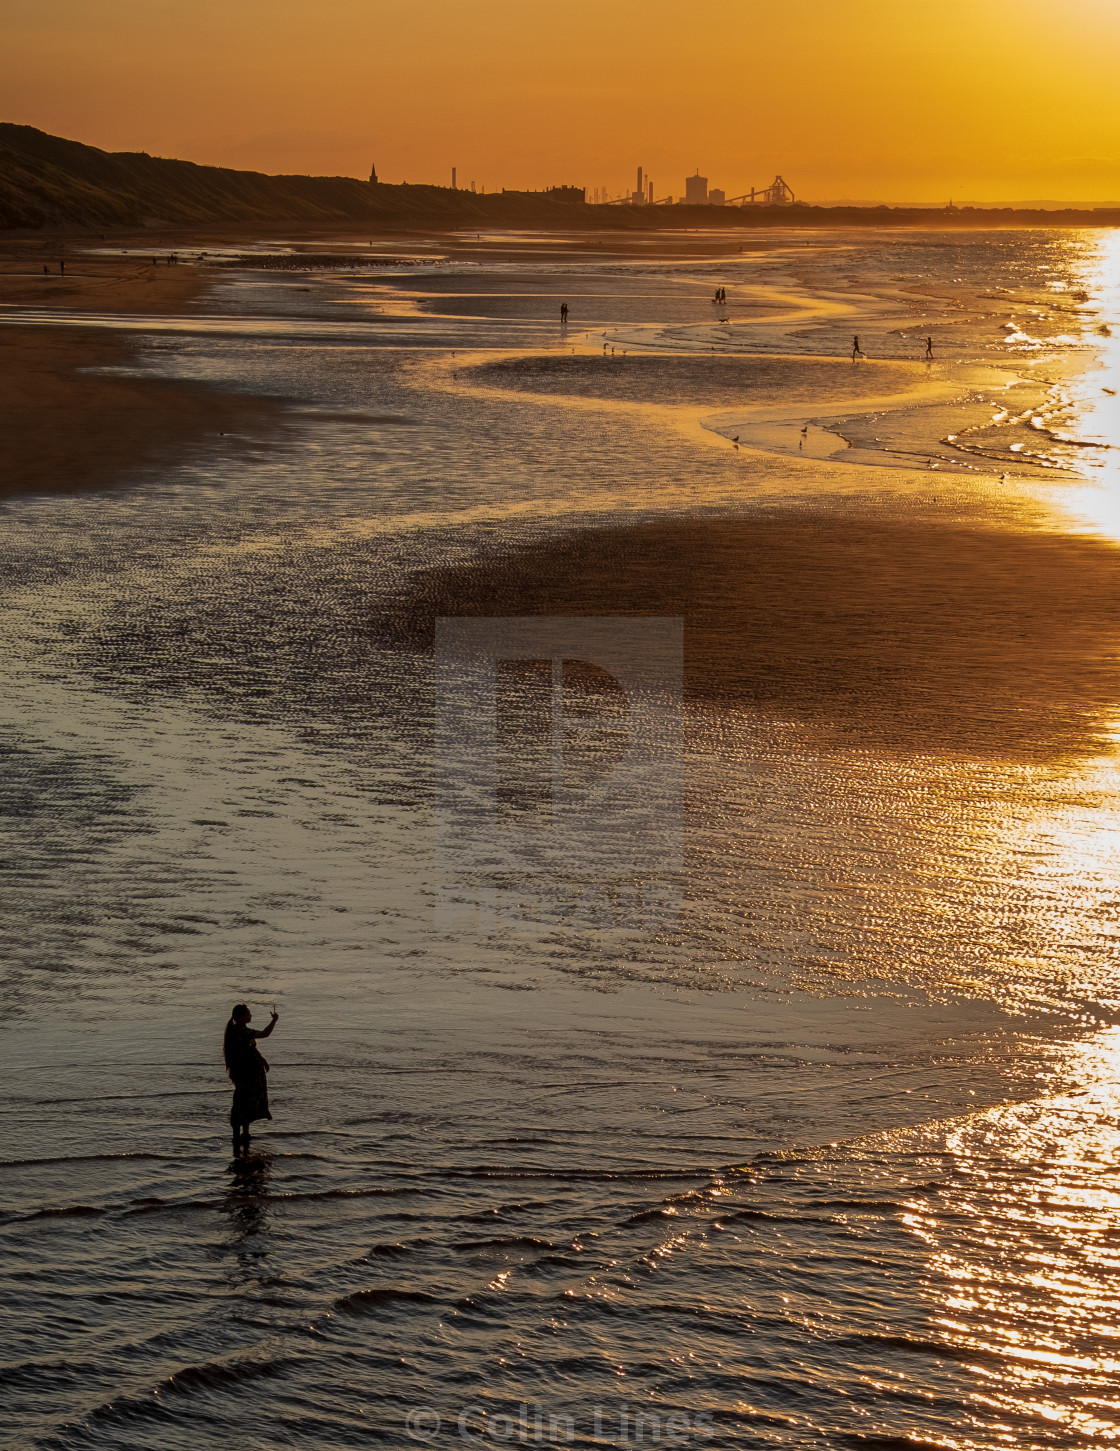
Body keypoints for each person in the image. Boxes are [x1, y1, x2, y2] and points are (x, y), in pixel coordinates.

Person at [223, 1003, 278, 1154]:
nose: (251, 1015)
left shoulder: (238, 1031)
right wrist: (274, 1021)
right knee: (242, 1101)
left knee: (246, 1101)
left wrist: (262, 1059)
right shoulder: (241, 1031)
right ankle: (238, 1136)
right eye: (248, 1013)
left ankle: (245, 1133)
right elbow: (265, 1034)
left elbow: (251, 1047)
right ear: (241, 1017)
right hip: (247, 1073)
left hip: (250, 1072)